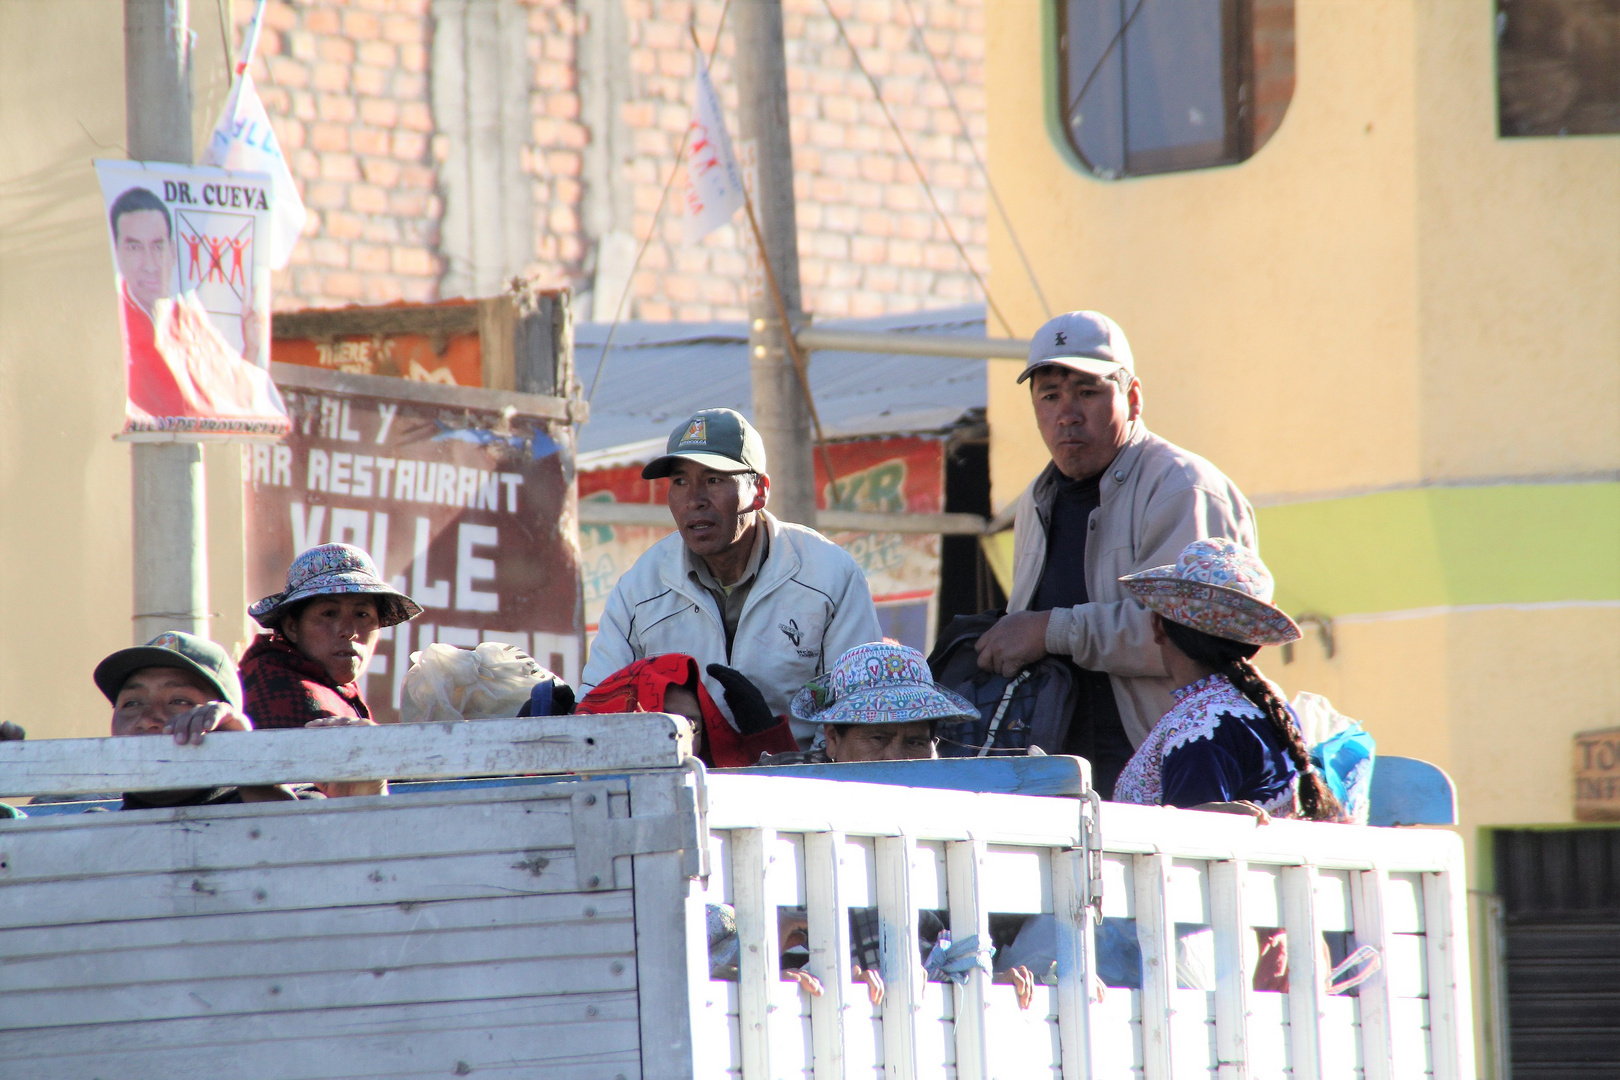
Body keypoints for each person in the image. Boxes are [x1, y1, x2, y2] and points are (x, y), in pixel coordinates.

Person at [973, 311, 1259, 798]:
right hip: (1058, 779)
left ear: (1132, 397)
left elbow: (1195, 639)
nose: (1067, 413)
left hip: (1178, 776)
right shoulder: (1035, 503)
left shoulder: (1183, 487)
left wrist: (1049, 630)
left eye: (1087, 391)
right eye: (1050, 395)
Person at [582, 408, 882, 744]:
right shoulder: (640, 588)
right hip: (680, 780)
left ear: (760, 491)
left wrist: (790, 769)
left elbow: (858, 714)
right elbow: (597, 707)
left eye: (714, 480)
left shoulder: (829, 575)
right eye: (680, 481)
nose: (694, 500)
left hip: (801, 782)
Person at [1111, 538, 1341, 821]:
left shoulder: (1200, 729)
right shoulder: (1265, 706)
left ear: (1158, 626)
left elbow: (1193, 853)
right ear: (1251, 643)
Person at [241, 543, 423, 797]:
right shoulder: (279, 687)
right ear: (292, 627)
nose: (348, 631)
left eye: (362, 614)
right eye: (329, 613)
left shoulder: (335, 689)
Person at [109, 185, 282, 424]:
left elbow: (234, 395)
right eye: (135, 247)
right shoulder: (111, 316)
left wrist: (252, 347)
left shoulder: (187, 315)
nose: (150, 264)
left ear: (172, 251)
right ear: (118, 253)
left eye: (158, 247)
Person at [93, 631, 295, 809]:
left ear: (225, 723)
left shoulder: (301, 804)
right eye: (132, 704)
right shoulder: (84, 833)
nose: (146, 720)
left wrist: (246, 756)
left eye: (179, 701)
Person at [761, 642, 977, 765]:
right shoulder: (779, 788)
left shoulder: (950, 799)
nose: (895, 758)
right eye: (878, 737)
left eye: (915, 742)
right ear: (833, 739)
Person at [573, 655, 798, 767]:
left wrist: (767, 738)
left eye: (692, 725)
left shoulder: (721, 796)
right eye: (663, 720)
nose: (678, 735)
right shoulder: (579, 793)